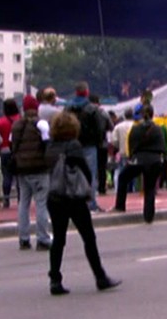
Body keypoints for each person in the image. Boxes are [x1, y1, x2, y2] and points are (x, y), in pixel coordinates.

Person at [44, 111, 120, 295]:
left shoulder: (50, 146)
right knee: (88, 238)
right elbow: (85, 171)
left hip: (54, 197)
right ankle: (100, 277)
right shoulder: (74, 145)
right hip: (74, 198)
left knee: (59, 239)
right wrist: (88, 192)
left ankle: (55, 279)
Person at [113, 105, 167, 223]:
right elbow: (163, 147)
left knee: (123, 177)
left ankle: (120, 205)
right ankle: (148, 216)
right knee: (149, 188)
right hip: (154, 160)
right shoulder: (157, 129)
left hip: (138, 159)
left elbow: (131, 145)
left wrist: (132, 156)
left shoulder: (136, 128)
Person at [11, 95, 52, 250]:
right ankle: (42, 238)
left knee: (23, 203)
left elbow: (12, 144)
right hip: (39, 167)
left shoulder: (16, 125)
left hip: (22, 168)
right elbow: (48, 144)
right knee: (41, 203)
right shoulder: (41, 124)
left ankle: (24, 238)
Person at [65, 82, 108, 212]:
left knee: (72, 174)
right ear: (86, 92)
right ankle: (91, 203)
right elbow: (100, 127)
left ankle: (74, 202)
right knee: (90, 174)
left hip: (72, 144)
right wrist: (98, 141)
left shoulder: (68, 108)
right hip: (89, 144)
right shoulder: (92, 109)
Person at [0, 98, 20, 207]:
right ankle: (21, 198)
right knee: (19, 175)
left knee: (6, 175)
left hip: (4, 149)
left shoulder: (0, 121)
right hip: (18, 149)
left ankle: (6, 199)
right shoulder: (20, 119)